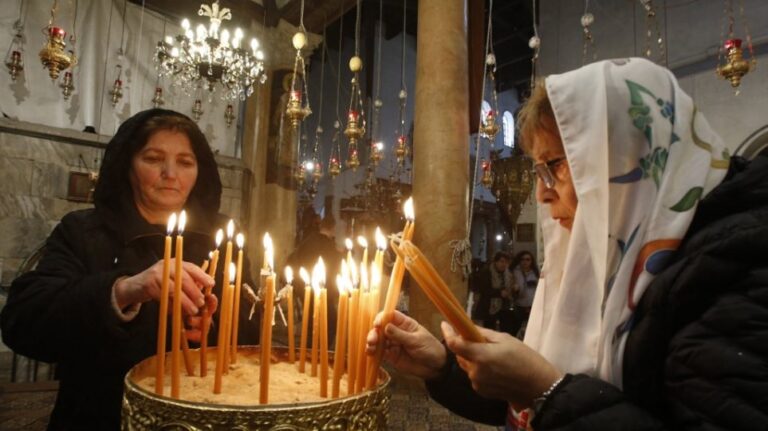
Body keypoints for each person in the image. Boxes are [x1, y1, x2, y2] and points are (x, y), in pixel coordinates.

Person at [367, 58, 768, 429]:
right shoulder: (618, 263)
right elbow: (534, 398)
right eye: (538, 170)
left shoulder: (740, 276)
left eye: (555, 166)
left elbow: (551, 392)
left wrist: (546, 389)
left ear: (628, 159)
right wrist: (443, 365)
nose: (541, 195)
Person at [1, 109, 259, 430]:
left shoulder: (223, 239)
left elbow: (253, 331)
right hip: (104, 413)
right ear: (127, 166)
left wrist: (212, 329)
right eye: (153, 159)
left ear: (199, 171)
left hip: (201, 416)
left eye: (185, 162)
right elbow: (22, 323)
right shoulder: (84, 231)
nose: (170, 173)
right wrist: (123, 291)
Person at [471, 251, 518, 334]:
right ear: (495, 262)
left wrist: (514, 289)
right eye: (501, 261)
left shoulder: (508, 274)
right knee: (490, 330)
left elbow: (511, 290)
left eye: (506, 262)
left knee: (506, 330)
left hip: (504, 307)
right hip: (489, 307)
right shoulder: (487, 272)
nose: (504, 264)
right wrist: (499, 293)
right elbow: (484, 289)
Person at [509, 251, 539, 338]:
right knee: (516, 327)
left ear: (531, 261)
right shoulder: (515, 272)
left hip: (532, 304)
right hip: (519, 304)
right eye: (522, 259)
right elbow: (509, 285)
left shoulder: (535, 272)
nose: (525, 261)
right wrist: (514, 288)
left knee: (532, 328)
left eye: (527, 259)